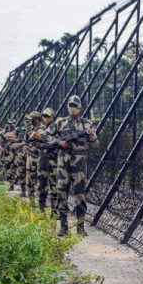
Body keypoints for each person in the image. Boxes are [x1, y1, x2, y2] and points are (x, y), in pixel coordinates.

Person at [53, 95, 97, 236]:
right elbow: (46, 137)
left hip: (79, 166)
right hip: (63, 164)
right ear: (67, 107)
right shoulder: (60, 123)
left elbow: (95, 143)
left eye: (75, 106)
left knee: (80, 196)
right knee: (61, 195)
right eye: (71, 105)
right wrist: (59, 142)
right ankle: (63, 227)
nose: (73, 108)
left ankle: (80, 227)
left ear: (80, 108)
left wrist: (90, 135)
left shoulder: (86, 124)